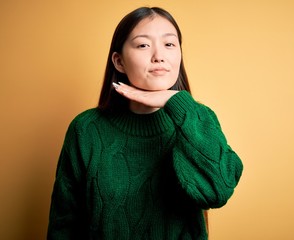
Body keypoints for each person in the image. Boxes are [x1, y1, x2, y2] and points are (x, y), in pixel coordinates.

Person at [47, 6, 243, 240]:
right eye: (143, 45)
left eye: (169, 44)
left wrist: (176, 102)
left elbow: (217, 192)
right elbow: (64, 223)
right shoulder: (86, 129)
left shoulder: (198, 118)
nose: (159, 55)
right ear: (119, 62)